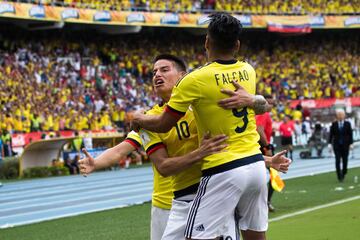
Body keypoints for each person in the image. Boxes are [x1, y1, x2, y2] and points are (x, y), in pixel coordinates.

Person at [132, 13, 276, 240]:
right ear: (237, 45)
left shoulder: (194, 80)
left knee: (194, 236)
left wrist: (138, 118)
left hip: (223, 168)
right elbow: (262, 105)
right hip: (256, 166)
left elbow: (162, 123)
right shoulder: (248, 70)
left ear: (207, 42)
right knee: (256, 235)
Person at [255, 96, 276, 212]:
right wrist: (267, 146)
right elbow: (259, 129)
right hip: (263, 147)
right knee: (273, 173)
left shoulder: (259, 114)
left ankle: (264, 202)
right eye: (270, 103)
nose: (272, 106)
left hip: (259, 145)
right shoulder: (264, 114)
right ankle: (266, 202)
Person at [328, 109, 353, 182]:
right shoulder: (334, 124)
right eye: (339, 115)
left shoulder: (347, 124)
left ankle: (344, 172)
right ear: (337, 116)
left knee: (345, 160)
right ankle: (339, 176)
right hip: (337, 145)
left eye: (342, 115)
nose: (340, 116)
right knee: (337, 160)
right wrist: (329, 143)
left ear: (344, 115)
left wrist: (351, 143)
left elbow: (350, 134)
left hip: (345, 145)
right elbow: (331, 134)